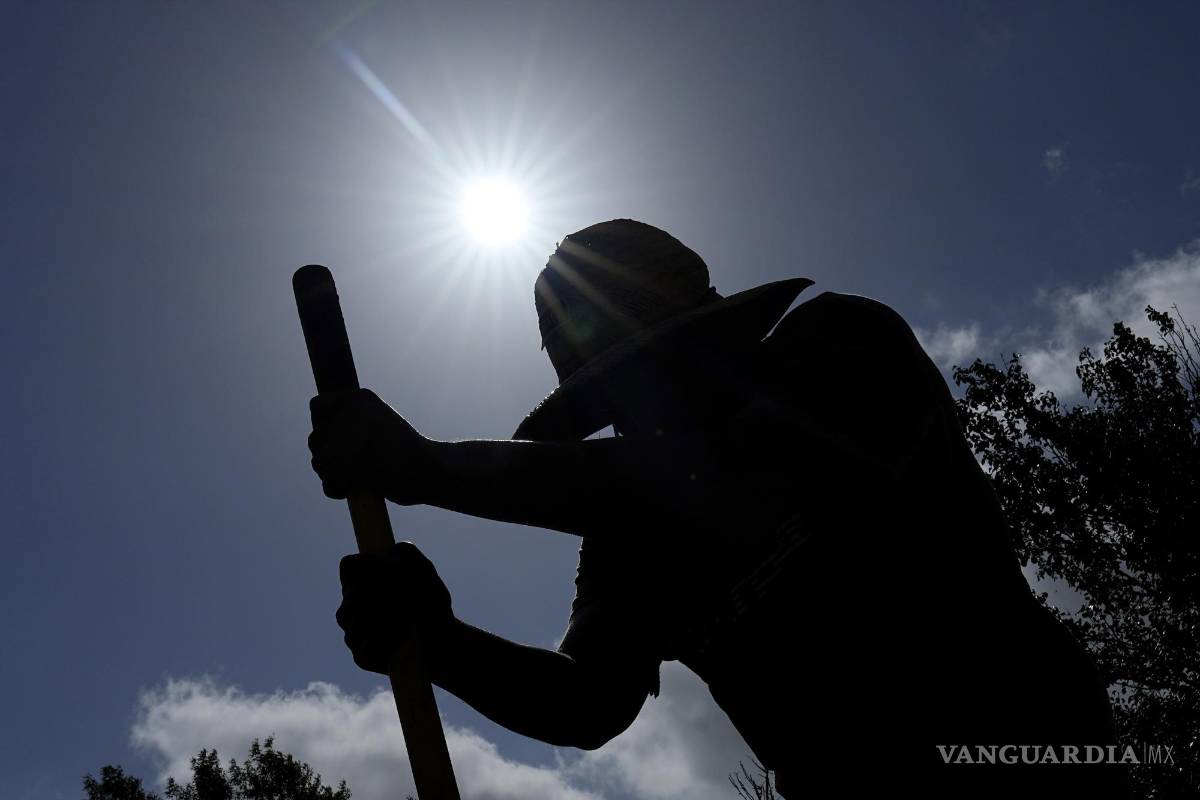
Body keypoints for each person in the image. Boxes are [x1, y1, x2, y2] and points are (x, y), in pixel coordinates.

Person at [308, 219, 1125, 797]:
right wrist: (440, 643)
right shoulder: (629, 532)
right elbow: (587, 702)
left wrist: (429, 469)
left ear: (708, 330)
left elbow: (724, 479)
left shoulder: (841, 351)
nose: (630, 407)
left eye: (644, 369)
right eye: (606, 394)